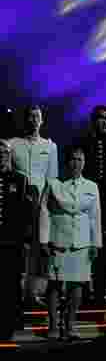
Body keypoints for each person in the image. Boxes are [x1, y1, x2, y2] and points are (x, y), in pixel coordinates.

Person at [38, 146, 101, 341]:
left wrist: (95, 243)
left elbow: (95, 217)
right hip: (58, 240)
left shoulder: (92, 187)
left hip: (82, 243)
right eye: (73, 159)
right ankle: (53, 324)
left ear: (84, 163)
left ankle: (71, 324)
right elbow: (44, 212)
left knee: (78, 286)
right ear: (66, 162)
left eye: (80, 160)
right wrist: (44, 240)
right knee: (54, 285)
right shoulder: (54, 184)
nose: (77, 163)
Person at [73, 105, 106, 310]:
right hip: (85, 206)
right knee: (85, 253)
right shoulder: (81, 143)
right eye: (103, 118)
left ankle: (100, 296)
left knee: (104, 255)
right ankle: (84, 295)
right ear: (94, 119)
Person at [9, 104, 59, 310]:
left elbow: (52, 178)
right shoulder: (12, 144)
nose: (34, 120)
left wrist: (43, 204)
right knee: (19, 251)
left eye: (37, 116)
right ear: (25, 119)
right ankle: (14, 293)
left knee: (38, 253)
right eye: (30, 116)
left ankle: (31, 294)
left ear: (42, 120)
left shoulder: (50, 146)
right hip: (18, 206)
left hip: (42, 206)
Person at [0, 140, 31, 340]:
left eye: (4, 153)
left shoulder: (20, 179)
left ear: (10, 155)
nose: (1, 156)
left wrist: (23, 239)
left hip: (12, 243)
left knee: (11, 285)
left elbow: (24, 213)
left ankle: (9, 325)